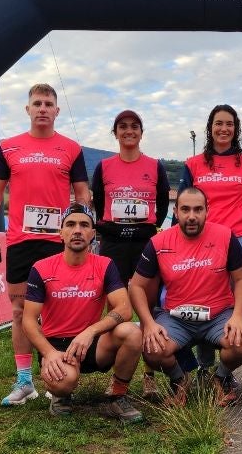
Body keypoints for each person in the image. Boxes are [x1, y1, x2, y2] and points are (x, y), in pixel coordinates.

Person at [0, 83, 91, 406]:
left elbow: (82, 194)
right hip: (21, 242)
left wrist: (84, 230)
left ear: (57, 111)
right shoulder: (9, 147)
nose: (43, 108)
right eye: (37, 103)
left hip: (59, 243)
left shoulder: (71, 148)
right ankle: (25, 380)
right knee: (19, 312)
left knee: (59, 311)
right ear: (28, 110)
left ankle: (59, 381)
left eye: (48, 103)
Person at [128, 187, 242, 407]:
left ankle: (219, 378)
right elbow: (136, 285)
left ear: (207, 211)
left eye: (198, 209)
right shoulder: (159, 242)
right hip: (176, 318)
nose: (192, 216)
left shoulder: (225, 236)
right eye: (185, 209)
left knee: (241, 343)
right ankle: (179, 379)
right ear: (175, 212)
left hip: (218, 316)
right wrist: (148, 323)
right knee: (152, 350)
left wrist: (238, 316)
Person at [21, 203, 144, 423]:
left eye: (84, 225)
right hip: (57, 346)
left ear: (93, 234)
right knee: (64, 382)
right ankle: (61, 396)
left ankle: (117, 396)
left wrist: (90, 332)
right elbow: (28, 320)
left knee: (132, 333)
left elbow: (124, 309)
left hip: (92, 345)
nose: (77, 230)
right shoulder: (42, 268)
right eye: (70, 224)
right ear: (61, 233)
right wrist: (48, 353)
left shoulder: (105, 265)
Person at [176, 104, 242, 381]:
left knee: (230, 302)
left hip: (238, 239)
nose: (224, 129)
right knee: (203, 299)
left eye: (229, 124)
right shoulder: (194, 164)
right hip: (201, 239)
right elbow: (183, 206)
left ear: (236, 129)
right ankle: (204, 365)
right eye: (218, 123)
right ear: (210, 128)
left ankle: (224, 371)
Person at [90, 109, 169, 398]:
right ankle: (115, 370)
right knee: (117, 310)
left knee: (149, 310)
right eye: (123, 127)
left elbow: (161, 204)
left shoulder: (155, 166)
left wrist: (147, 229)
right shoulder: (104, 166)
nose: (129, 131)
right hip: (113, 246)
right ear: (116, 133)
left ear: (141, 132)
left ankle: (150, 374)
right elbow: (99, 202)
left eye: (134, 127)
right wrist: (111, 228)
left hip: (144, 246)